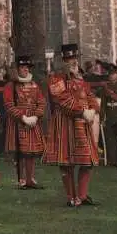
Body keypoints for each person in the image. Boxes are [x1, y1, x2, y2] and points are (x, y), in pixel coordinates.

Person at [43, 43, 100, 207]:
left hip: (83, 123)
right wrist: (82, 111)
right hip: (65, 123)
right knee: (66, 161)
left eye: (75, 58)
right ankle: (71, 197)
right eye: (69, 58)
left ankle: (82, 195)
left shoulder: (80, 78)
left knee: (88, 159)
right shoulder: (56, 78)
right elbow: (61, 99)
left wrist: (93, 109)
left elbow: (89, 95)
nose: (73, 61)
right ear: (63, 60)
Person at [3, 55, 46, 189]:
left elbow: (42, 102)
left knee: (31, 153)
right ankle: (21, 179)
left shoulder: (34, 85)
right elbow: (9, 105)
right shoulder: (11, 86)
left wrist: (36, 116)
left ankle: (30, 178)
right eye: (22, 67)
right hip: (18, 122)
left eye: (27, 67)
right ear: (17, 69)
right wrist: (23, 118)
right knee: (20, 152)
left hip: (33, 121)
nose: (25, 70)